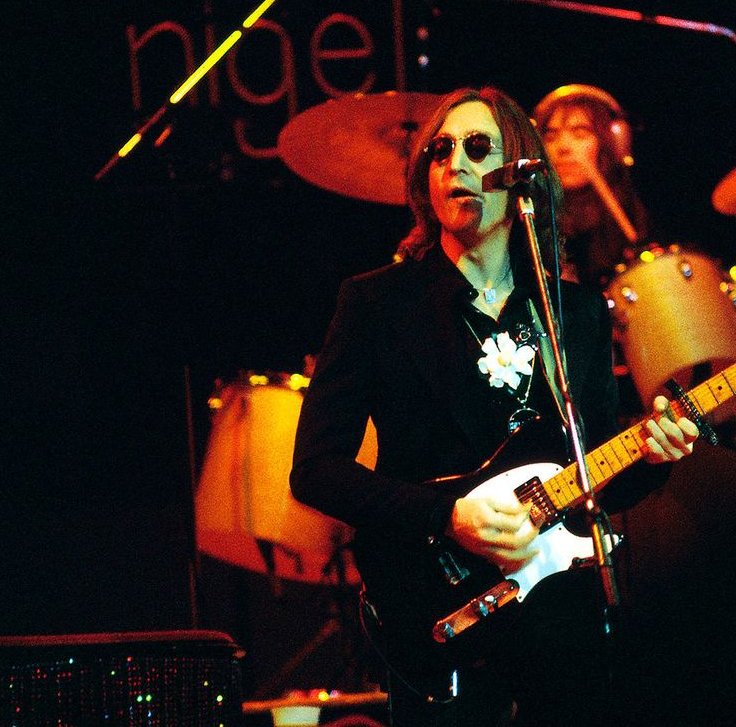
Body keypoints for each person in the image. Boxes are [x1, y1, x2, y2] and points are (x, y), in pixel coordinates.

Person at [289, 86, 701, 726]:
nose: (454, 163)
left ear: (521, 179)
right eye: (439, 151)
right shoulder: (376, 304)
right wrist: (445, 514)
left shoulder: (577, 313)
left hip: (557, 609)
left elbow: (592, 479)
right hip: (434, 603)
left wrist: (653, 456)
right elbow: (315, 470)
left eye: (478, 148)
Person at [531, 84, 651, 290]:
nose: (563, 147)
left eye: (580, 133)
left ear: (610, 143)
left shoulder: (637, 209)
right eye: (550, 137)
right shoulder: (531, 218)